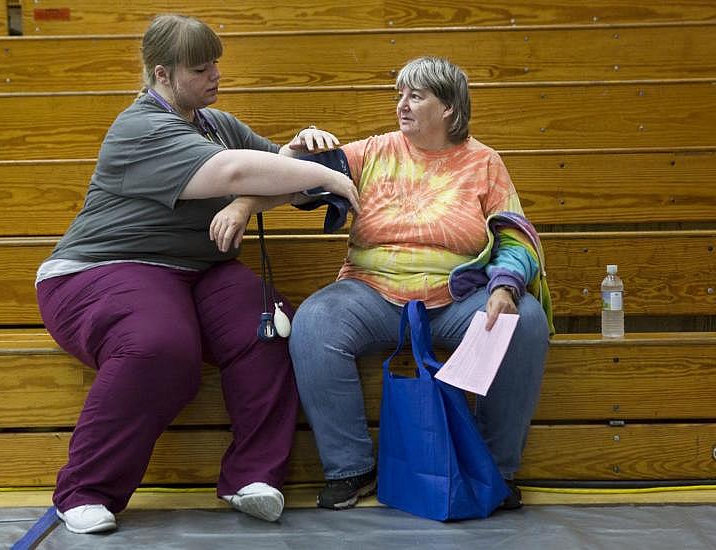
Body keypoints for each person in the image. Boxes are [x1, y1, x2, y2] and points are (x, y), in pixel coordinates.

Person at [34, 14, 359, 534]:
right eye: (200, 69)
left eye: (216, 66)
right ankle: (85, 490)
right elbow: (234, 172)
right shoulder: (140, 128)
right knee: (159, 344)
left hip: (196, 270)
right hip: (101, 270)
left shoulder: (216, 123)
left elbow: (278, 176)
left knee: (268, 323)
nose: (215, 76)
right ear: (162, 74)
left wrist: (299, 154)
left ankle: (252, 477)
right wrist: (321, 176)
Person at [288, 56, 553, 512]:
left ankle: (494, 468)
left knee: (525, 320)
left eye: (415, 95)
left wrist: (505, 287)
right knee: (315, 323)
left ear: (448, 107)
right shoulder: (372, 152)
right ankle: (350, 468)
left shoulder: (485, 162)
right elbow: (299, 186)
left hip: (457, 297)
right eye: (399, 95)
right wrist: (298, 150)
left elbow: (515, 239)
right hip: (370, 291)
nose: (401, 105)